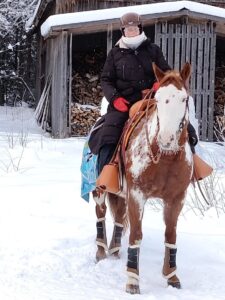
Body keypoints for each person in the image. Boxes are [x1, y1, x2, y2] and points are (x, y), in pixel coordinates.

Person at [89, 12, 197, 175]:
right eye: (128, 29)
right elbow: (106, 79)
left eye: (134, 29)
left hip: (153, 99)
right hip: (123, 103)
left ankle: (194, 168)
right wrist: (115, 98)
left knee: (185, 127)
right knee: (108, 135)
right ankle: (105, 176)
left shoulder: (153, 49)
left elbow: (166, 71)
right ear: (123, 31)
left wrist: (160, 83)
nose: (131, 32)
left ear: (140, 29)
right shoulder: (115, 53)